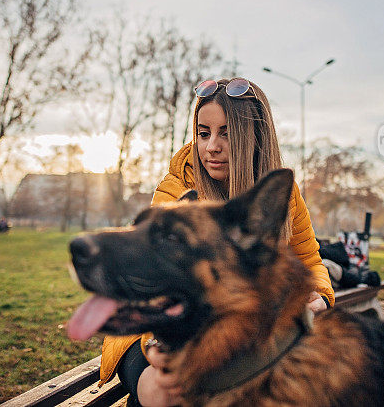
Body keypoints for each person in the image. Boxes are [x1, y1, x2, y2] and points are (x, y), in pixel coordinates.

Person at [99, 78, 335, 407]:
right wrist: (159, 348)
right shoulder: (177, 186)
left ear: (254, 138)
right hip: (151, 329)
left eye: (226, 133)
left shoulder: (282, 196)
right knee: (163, 393)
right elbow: (154, 281)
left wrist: (321, 294)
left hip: (239, 333)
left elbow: (311, 261)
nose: (212, 146)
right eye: (203, 132)